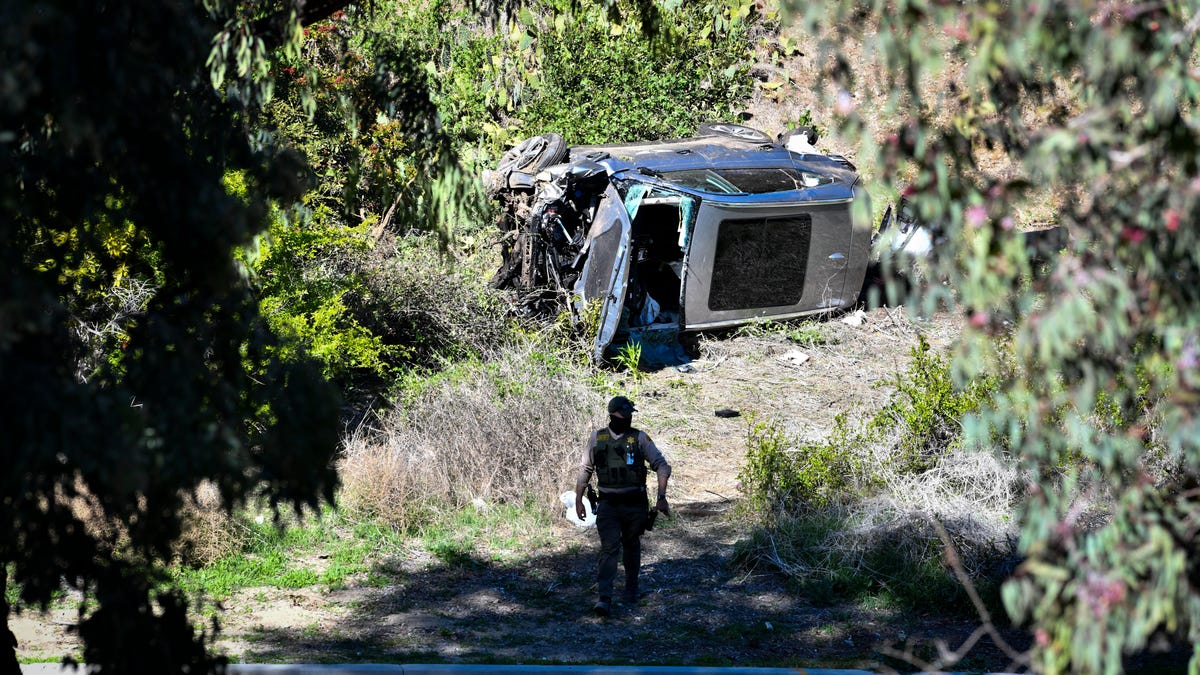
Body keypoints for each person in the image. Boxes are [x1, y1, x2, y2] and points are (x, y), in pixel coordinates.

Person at [574, 395, 671, 617]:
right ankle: (604, 598)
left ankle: (631, 588)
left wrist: (661, 496)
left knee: (631, 545)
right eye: (623, 414)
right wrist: (579, 499)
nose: (627, 418)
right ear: (613, 415)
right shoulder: (597, 438)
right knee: (609, 548)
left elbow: (662, 466)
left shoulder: (639, 438)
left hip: (635, 504)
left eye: (629, 415)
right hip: (608, 504)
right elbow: (585, 470)